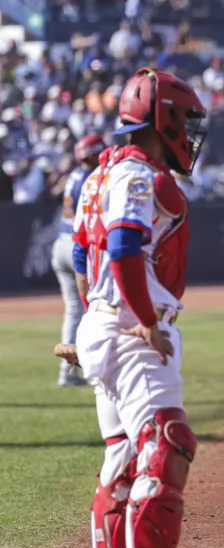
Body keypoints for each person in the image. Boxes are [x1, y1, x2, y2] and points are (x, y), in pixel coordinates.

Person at [73, 67, 208, 548]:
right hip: (134, 331)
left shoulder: (99, 176)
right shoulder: (135, 176)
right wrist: (145, 321)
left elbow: (84, 257)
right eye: (184, 120)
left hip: (107, 325)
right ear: (164, 120)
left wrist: (96, 316)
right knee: (165, 447)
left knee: (124, 459)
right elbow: (125, 247)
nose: (190, 133)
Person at [52, 134, 104, 387]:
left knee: (75, 310)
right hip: (76, 246)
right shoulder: (92, 178)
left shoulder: (73, 174)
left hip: (60, 244)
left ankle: (67, 373)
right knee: (99, 307)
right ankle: (97, 369)